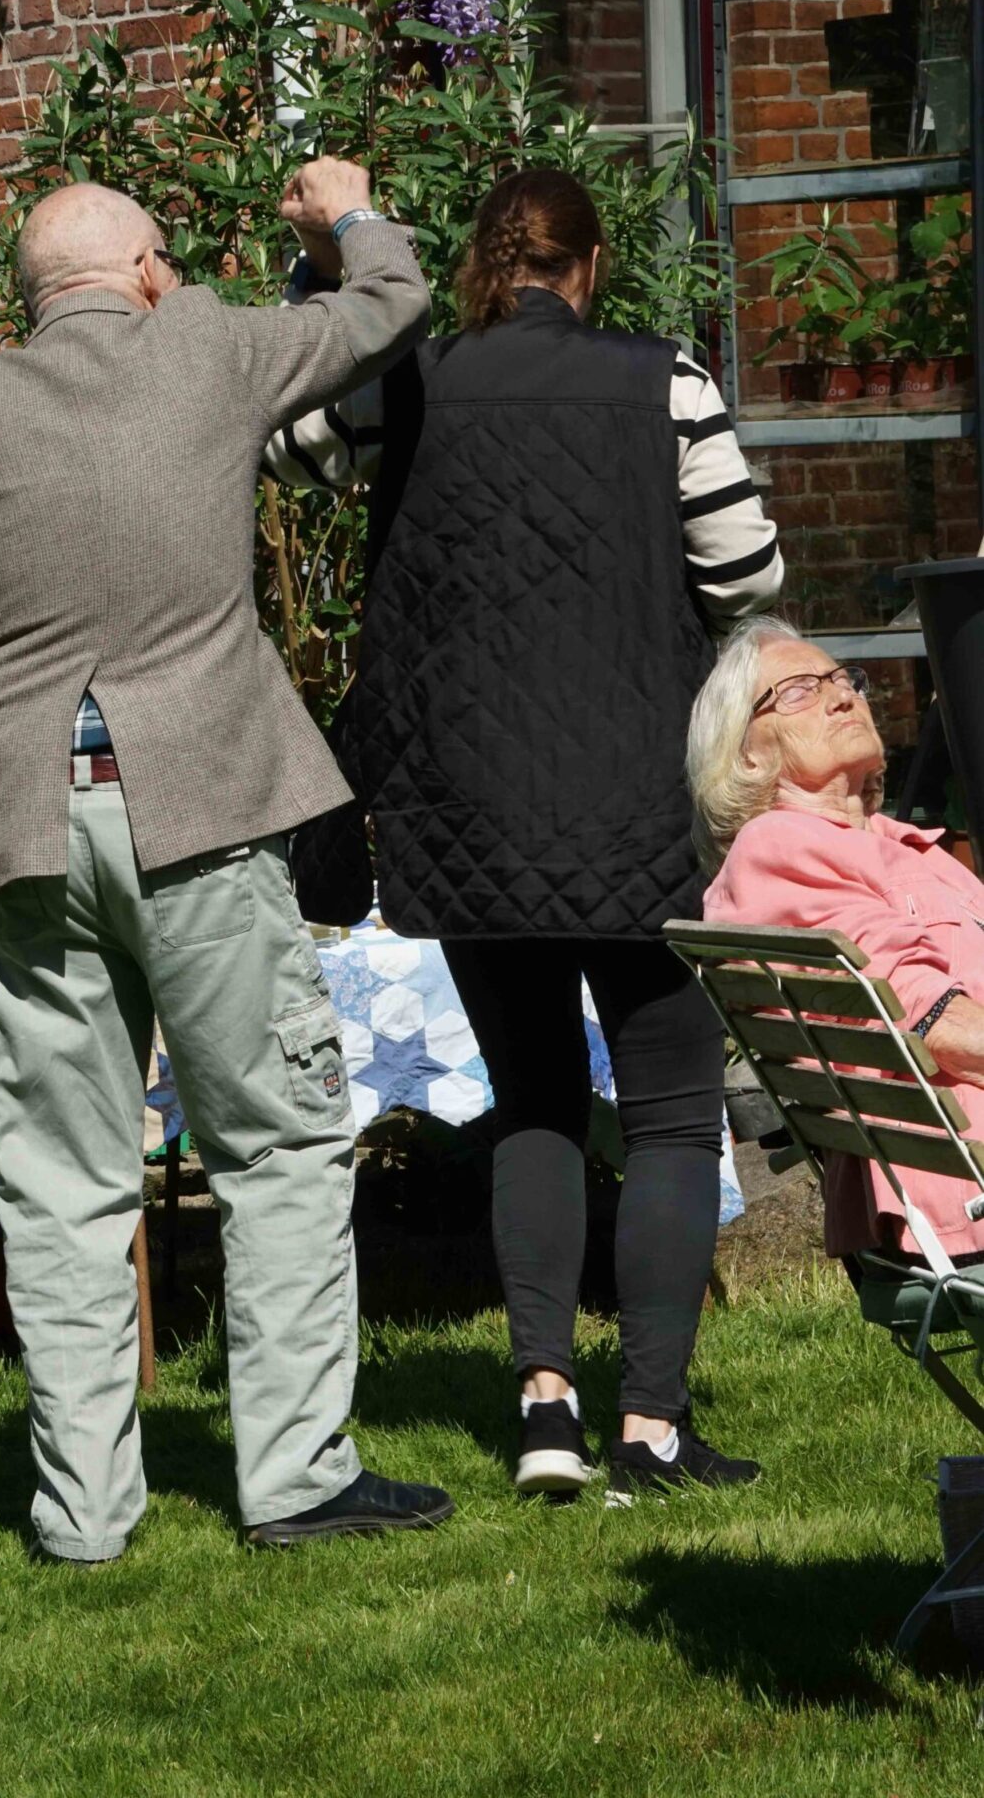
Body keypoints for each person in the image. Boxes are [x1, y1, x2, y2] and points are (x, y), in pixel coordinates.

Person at [0, 163, 454, 1561]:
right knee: (276, 1145)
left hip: (25, 826)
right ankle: (291, 1480)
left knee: (60, 1181)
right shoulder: (211, 347)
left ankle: (84, 1515)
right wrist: (335, 207)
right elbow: (393, 298)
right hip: (204, 807)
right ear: (151, 274)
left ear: (32, 304)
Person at [273, 169, 783, 1500]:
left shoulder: (412, 377)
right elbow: (744, 577)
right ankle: (651, 1427)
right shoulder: (660, 380)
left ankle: (545, 1408)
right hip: (635, 802)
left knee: (534, 1103)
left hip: (465, 807)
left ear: (487, 264)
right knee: (671, 1118)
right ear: (591, 264)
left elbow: (286, 444)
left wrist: (322, 274)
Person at [691, 615, 984, 1262]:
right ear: (747, 753)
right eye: (798, 689)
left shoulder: (903, 847)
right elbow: (927, 1020)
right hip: (966, 1175)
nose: (844, 694)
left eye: (843, 678)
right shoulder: (780, 848)